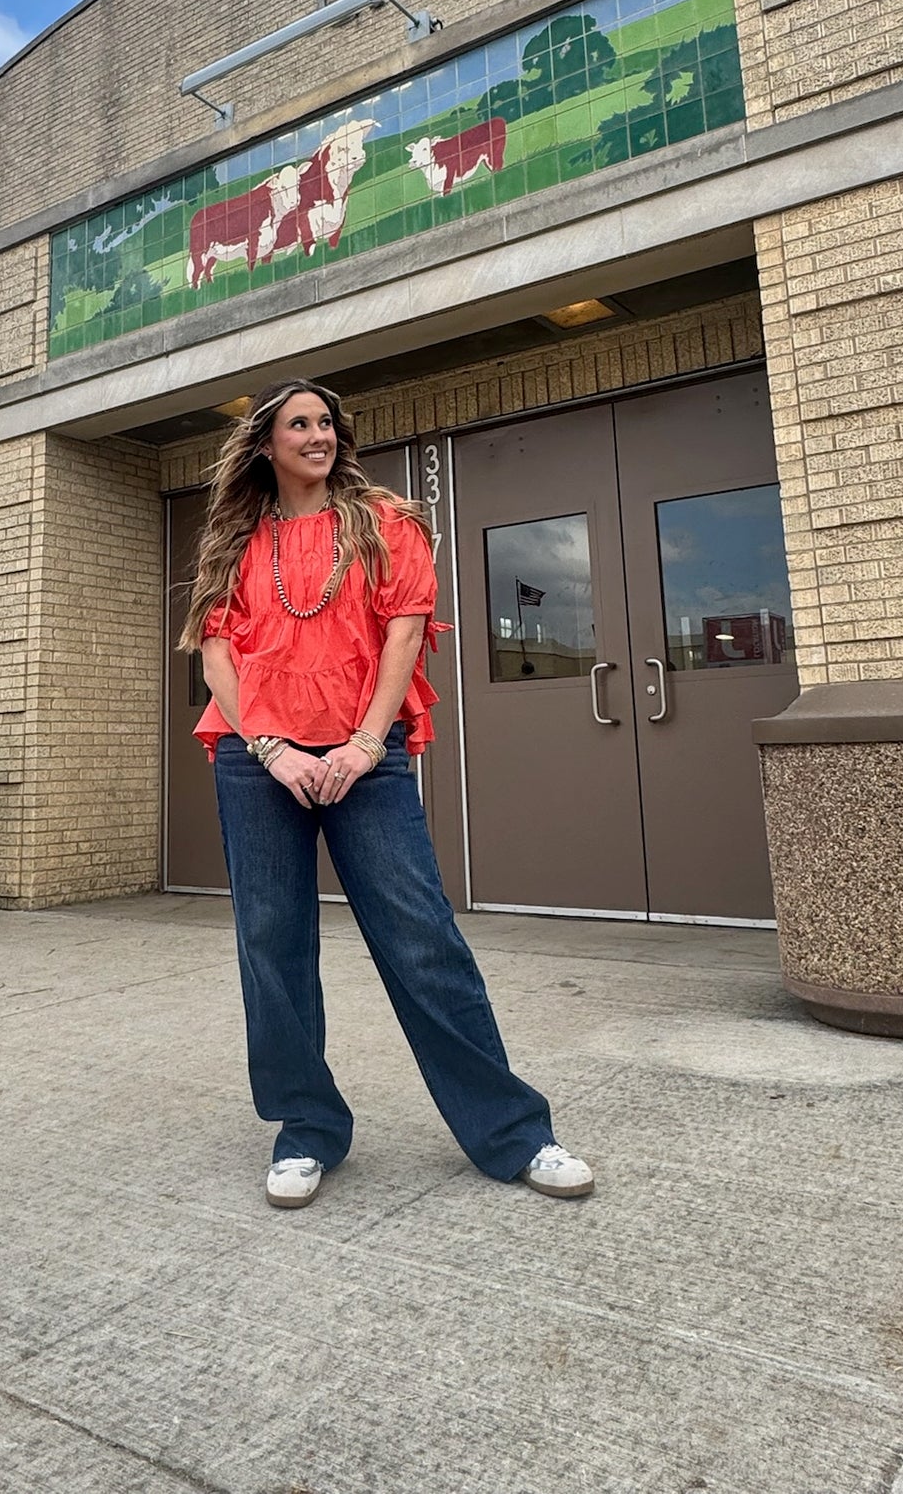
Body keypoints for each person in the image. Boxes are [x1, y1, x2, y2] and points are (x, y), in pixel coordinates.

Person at [180, 376, 594, 1210]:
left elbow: (404, 633)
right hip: (257, 760)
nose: (318, 434)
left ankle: (513, 1132)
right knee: (272, 945)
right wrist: (270, 746)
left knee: (421, 939)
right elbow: (217, 655)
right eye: (299, 423)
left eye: (326, 421)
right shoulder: (233, 540)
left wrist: (367, 742)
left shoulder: (386, 523)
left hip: (365, 755)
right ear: (267, 442)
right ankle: (305, 1128)